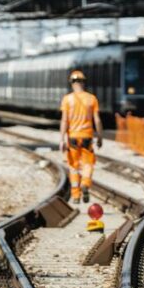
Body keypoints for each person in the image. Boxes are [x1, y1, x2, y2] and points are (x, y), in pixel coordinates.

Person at [59, 69, 103, 204]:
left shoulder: (67, 99)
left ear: (71, 83)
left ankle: (76, 195)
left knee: (73, 166)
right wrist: (100, 136)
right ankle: (85, 183)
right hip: (87, 138)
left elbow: (64, 120)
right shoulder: (91, 99)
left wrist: (62, 139)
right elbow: (97, 120)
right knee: (88, 164)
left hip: (72, 137)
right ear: (83, 82)